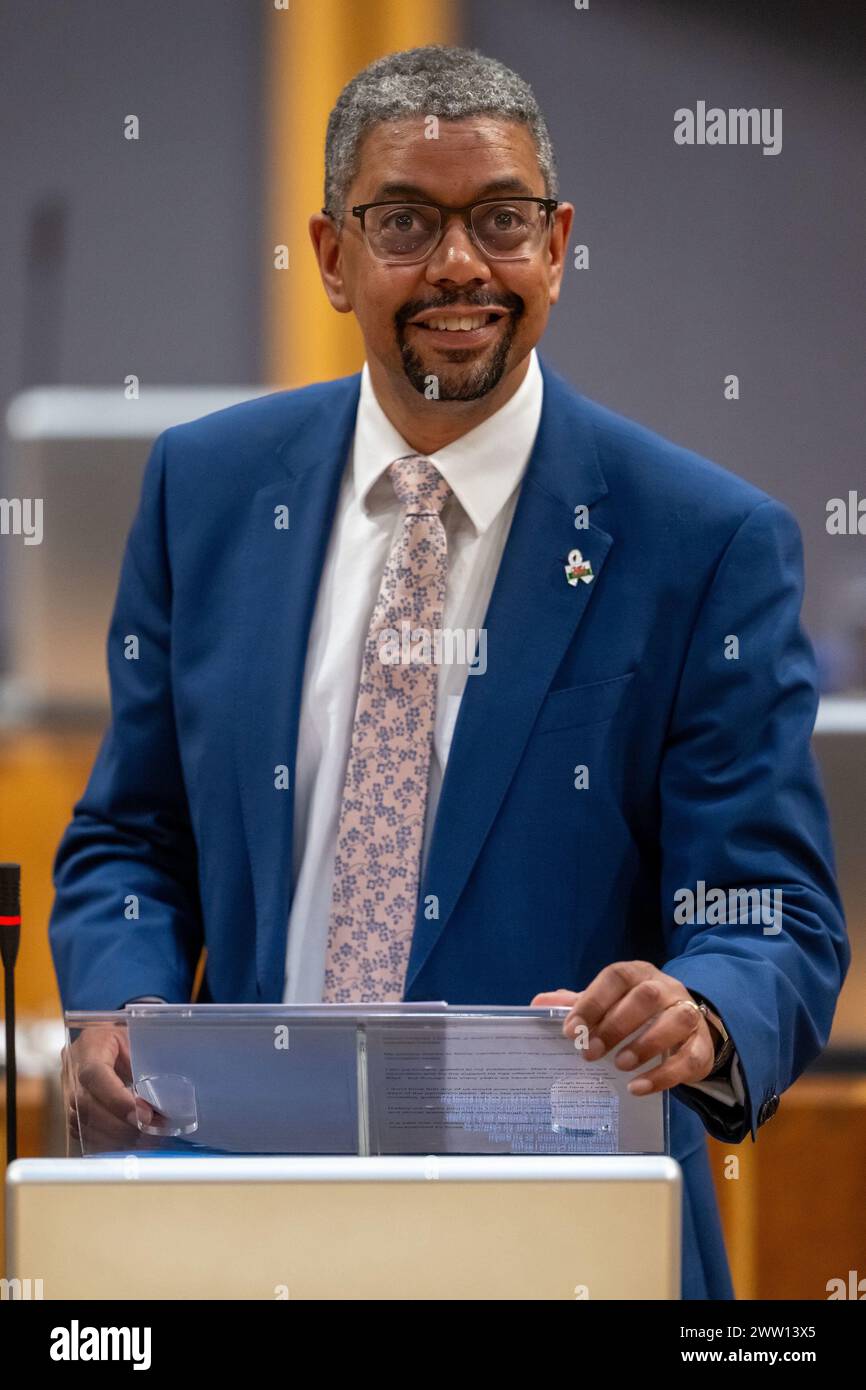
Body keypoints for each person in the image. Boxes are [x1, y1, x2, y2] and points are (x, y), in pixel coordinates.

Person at [50, 45, 849, 1299]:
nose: (461, 264)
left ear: (557, 243)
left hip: (567, 1239)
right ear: (330, 255)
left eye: (502, 219)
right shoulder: (203, 491)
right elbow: (130, 839)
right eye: (406, 223)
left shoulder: (700, 541)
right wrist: (116, 1006)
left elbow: (769, 910)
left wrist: (696, 1006)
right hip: (244, 1222)